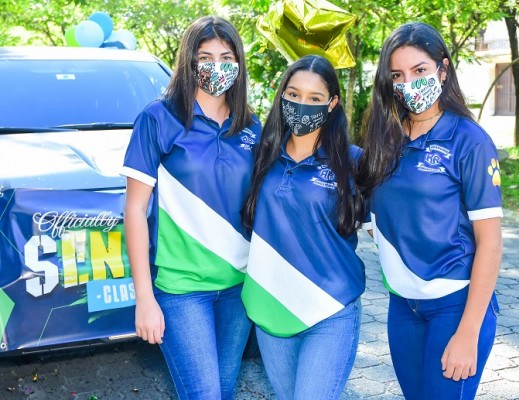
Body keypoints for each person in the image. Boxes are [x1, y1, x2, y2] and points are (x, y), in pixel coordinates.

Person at [357, 22, 502, 399]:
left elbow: (490, 244)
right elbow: (374, 213)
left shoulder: (470, 141)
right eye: (397, 75)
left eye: (419, 70)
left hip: (456, 306)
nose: (409, 83)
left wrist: (468, 332)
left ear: (443, 68)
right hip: (402, 306)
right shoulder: (384, 138)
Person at [121, 16, 261, 400]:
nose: (216, 65)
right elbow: (134, 211)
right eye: (205, 56)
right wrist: (144, 299)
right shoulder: (158, 118)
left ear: (239, 63)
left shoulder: (251, 127)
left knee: (224, 391)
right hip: (182, 291)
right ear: (189, 61)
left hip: (239, 290)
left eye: (226, 56)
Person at [241, 54, 366, 399]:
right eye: (293, 95)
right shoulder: (260, 155)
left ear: (332, 104)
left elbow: (391, 223)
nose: (301, 105)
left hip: (331, 308)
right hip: (272, 306)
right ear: (281, 95)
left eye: (314, 99)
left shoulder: (352, 162)